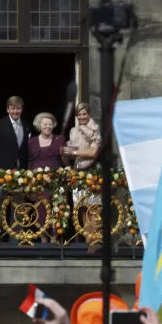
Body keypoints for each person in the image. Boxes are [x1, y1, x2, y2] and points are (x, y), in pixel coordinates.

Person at [62, 103, 103, 243]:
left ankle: (95, 239)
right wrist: (67, 151)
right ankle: (87, 239)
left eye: (84, 114)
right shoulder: (73, 130)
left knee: (94, 206)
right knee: (83, 206)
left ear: (89, 114)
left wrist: (73, 151)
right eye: (79, 114)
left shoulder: (95, 129)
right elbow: (74, 152)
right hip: (78, 169)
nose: (82, 117)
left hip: (91, 170)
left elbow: (93, 152)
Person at [27, 112, 64, 243]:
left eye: (50, 124)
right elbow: (29, 162)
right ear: (39, 125)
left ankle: (54, 237)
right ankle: (43, 238)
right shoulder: (31, 142)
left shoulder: (59, 139)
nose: (48, 126)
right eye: (45, 124)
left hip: (55, 181)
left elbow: (64, 159)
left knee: (56, 208)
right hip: (38, 182)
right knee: (40, 209)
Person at [0, 96, 31, 170]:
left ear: (21, 109)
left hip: (23, 171)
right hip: (2, 171)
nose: (15, 111)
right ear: (7, 110)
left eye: (18, 108)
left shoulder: (27, 125)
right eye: (13, 108)